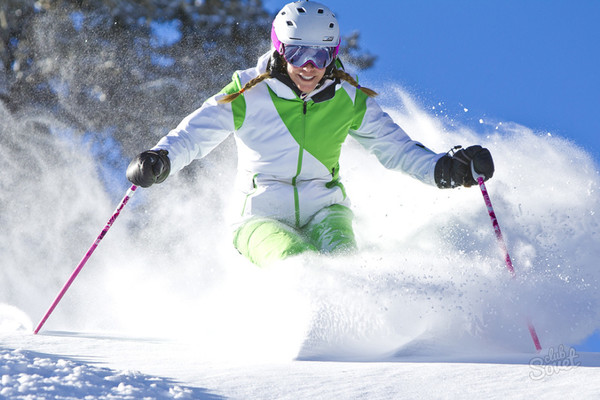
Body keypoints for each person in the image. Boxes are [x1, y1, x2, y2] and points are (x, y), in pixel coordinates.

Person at [126, 0, 494, 267]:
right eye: (297, 52)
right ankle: (305, 344)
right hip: (259, 216)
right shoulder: (247, 93)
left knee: (345, 265)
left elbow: (396, 148)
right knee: (294, 261)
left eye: (319, 56)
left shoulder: (348, 99)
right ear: (279, 48)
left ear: (332, 57)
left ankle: (362, 344)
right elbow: (195, 133)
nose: (308, 66)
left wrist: (446, 170)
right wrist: (163, 158)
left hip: (325, 211)